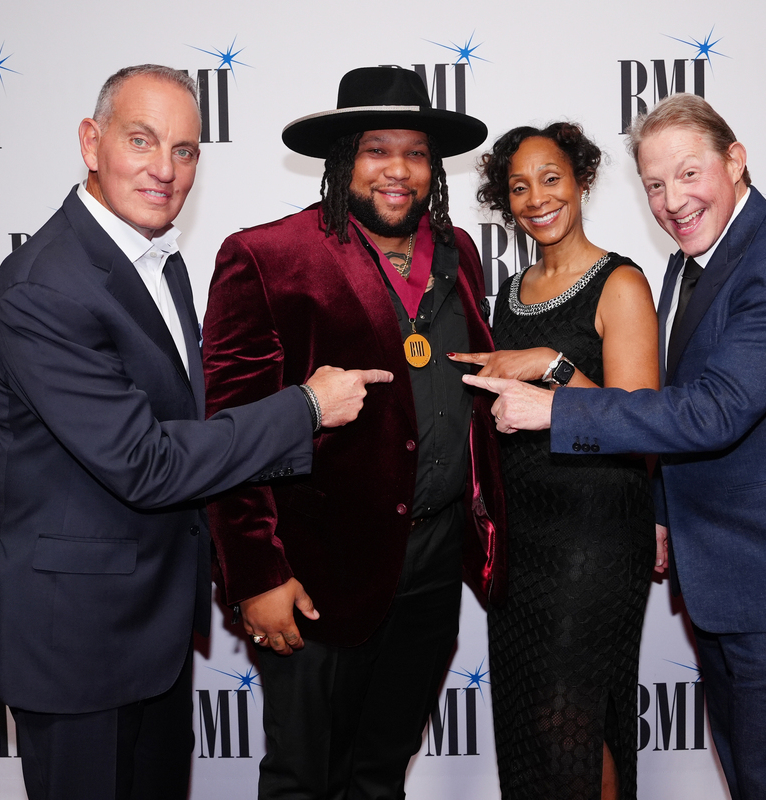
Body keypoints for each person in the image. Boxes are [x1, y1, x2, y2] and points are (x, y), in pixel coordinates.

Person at [0, 64, 390, 800]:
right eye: (142, 141)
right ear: (91, 144)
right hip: (73, 642)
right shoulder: (46, 285)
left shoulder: (160, 260)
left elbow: (183, 428)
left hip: (148, 630)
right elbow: (145, 461)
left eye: (185, 150)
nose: (165, 169)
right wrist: (305, 408)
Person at [463, 94, 766, 800]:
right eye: (656, 185)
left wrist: (557, 404)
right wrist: (661, 507)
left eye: (688, 175)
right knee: (754, 780)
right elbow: (678, 403)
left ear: (736, 160)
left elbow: (715, 411)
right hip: (722, 576)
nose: (673, 200)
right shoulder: (693, 264)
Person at [201, 65, 505, 800]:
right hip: (315, 571)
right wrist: (257, 574)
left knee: (378, 773)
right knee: (306, 777)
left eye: (415, 153)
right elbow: (230, 432)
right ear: (343, 160)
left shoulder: (458, 250)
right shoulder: (266, 257)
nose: (397, 172)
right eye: (377, 150)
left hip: (432, 568)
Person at [448, 122, 658, 799]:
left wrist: (552, 363)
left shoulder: (620, 283)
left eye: (551, 178)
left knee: (574, 718)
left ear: (582, 181)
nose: (537, 197)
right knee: (536, 721)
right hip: (524, 542)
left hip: (593, 540)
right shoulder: (507, 294)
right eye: (519, 186)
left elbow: (642, 429)